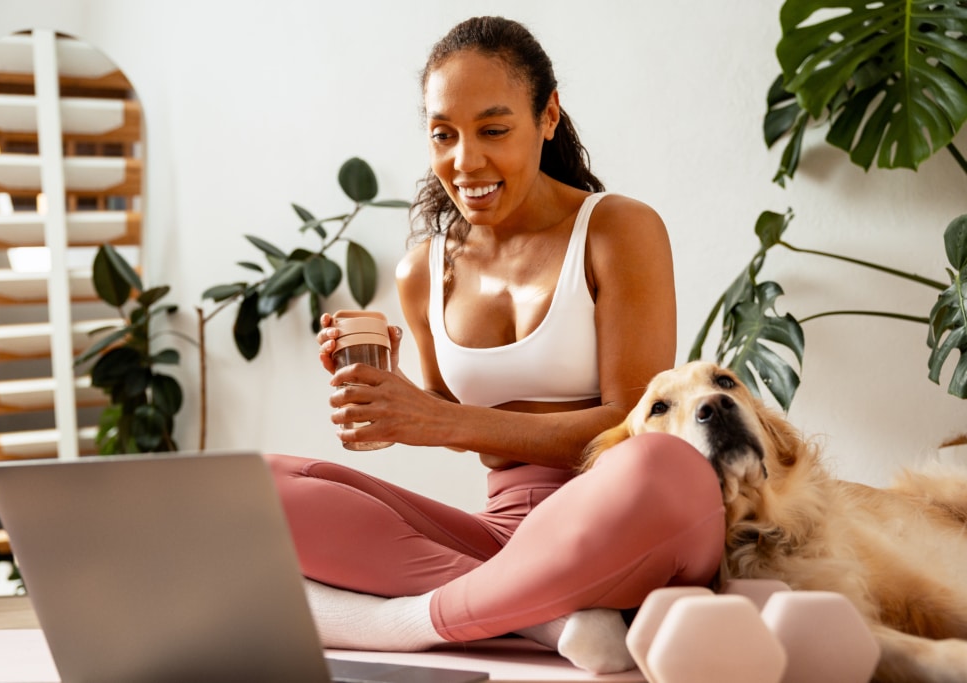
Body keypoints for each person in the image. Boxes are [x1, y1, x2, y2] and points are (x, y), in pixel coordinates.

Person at [265, 16, 725, 674]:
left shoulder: (617, 229)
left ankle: (407, 620)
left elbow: (636, 424)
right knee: (263, 488)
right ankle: (548, 618)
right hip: (505, 536)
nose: (465, 161)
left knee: (664, 465)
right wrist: (395, 397)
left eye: (494, 129)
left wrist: (437, 416)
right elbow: (455, 424)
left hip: (624, 518)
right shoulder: (424, 270)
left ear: (548, 116)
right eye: (443, 135)